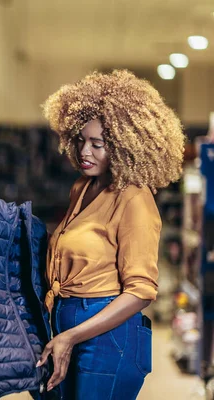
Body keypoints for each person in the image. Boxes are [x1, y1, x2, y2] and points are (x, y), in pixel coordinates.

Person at [36, 70, 185, 399]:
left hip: (108, 337)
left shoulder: (134, 198)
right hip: (65, 322)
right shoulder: (82, 187)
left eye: (98, 144)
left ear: (124, 146)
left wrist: (73, 336)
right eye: (80, 139)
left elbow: (142, 291)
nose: (85, 151)